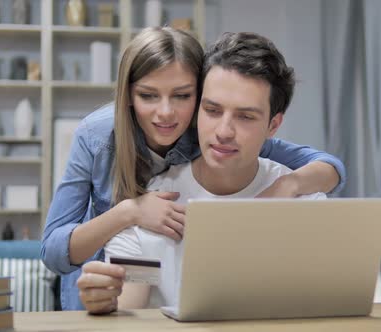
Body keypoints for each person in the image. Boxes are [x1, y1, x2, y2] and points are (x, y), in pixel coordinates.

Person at [41, 27, 346, 311]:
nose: (165, 113)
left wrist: (287, 188)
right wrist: (129, 211)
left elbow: (329, 165)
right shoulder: (98, 138)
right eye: (148, 95)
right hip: (95, 289)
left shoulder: (215, 136)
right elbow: (63, 255)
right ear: (129, 96)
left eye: (183, 96)